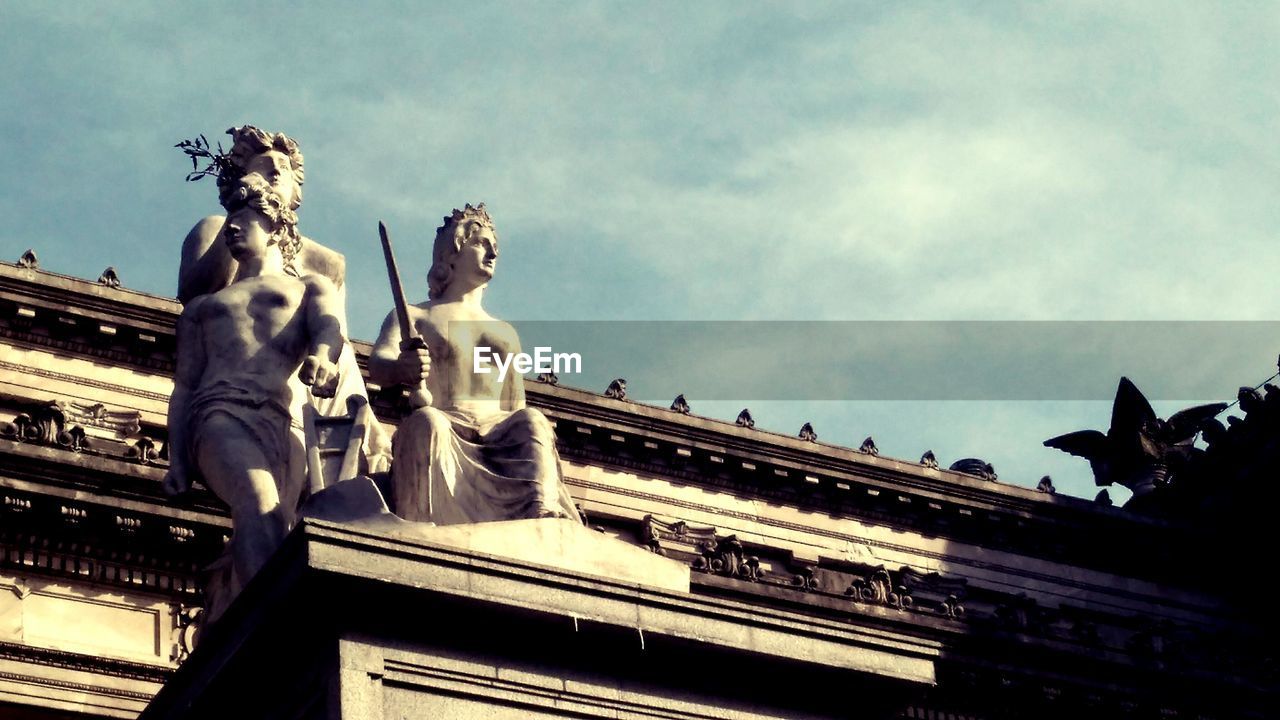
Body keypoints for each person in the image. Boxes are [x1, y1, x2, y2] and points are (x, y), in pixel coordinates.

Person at [165, 175, 343, 622]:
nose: (233, 227)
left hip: (282, 418)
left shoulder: (308, 288)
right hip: (219, 412)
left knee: (282, 521)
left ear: (277, 229)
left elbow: (328, 330)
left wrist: (323, 357)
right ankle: (274, 624)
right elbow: (185, 386)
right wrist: (178, 461)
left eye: (246, 218)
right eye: (230, 219)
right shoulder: (204, 307)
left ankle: (246, 602)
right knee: (257, 499)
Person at [176, 125, 389, 474]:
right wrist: (239, 212)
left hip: (308, 368)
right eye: (264, 166)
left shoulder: (327, 262)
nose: (275, 172)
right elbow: (194, 291)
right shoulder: (217, 228)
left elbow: (335, 332)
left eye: (284, 168)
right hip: (242, 366)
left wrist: (326, 361)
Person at [369, 204, 579, 524]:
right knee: (429, 424)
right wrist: (402, 368)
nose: (492, 253)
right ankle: (425, 530)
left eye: (495, 247)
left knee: (533, 421)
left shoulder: (503, 332)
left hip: (498, 432)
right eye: (481, 243)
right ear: (451, 253)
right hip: (444, 421)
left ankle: (540, 516)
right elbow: (379, 363)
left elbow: (514, 403)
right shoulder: (416, 315)